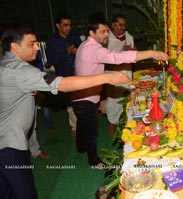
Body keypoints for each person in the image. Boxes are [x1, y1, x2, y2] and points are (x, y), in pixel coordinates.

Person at [0, 26, 131, 199]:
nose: (37, 47)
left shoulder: (6, 64)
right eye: (32, 44)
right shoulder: (20, 71)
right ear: (15, 47)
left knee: (6, 191)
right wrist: (107, 77)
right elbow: (61, 84)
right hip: (9, 145)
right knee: (25, 193)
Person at [71, 12, 169, 168]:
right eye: (102, 32)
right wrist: (151, 53)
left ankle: (80, 147)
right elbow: (118, 58)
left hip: (79, 95)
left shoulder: (86, 45)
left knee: (83, 124)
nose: (106, 35)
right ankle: (93, 160)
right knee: (91, 130)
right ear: (92, 33)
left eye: (106, 31)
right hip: (85, 97)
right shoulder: (94, 49)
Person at [46, 12, 81, 136]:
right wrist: (66, 52)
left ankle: (84, 123)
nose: (69, 28)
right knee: (70, 103)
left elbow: (83, 51)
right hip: (64, 76)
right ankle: (75, 126)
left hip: (78, 73)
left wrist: (78, 52)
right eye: (65, 25)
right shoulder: (51, 41)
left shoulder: (74, 36)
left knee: (81, 100)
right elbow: (50, 61)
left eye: (70, 25)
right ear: (58, 26)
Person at [105, 13, 136, 136]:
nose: (123, 28)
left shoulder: (129, 37)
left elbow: (135, 52)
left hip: (127, 71)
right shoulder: (106, 38)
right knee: (112, 100)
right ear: (113, 25)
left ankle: (127, 123)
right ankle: (112, 124)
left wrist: (132, 51)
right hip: (112, 73)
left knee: (127, 97)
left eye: (124, 25)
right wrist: (122, 52)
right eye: (120, 25)